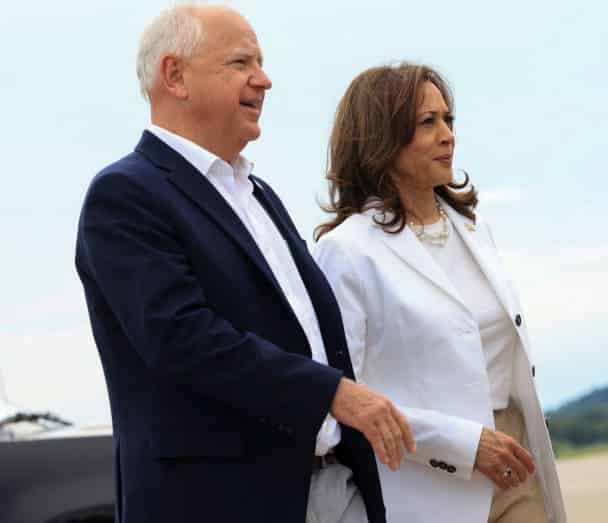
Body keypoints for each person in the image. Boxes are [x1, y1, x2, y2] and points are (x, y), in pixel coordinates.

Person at [74, 6, 414, 523]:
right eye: (241, 62)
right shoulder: (124, 195)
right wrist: (331, 393)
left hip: (332, 486)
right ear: (175, 75)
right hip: (219, 501)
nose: (264, 79)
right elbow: (182, 338)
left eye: (261, 62)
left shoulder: (259, 195)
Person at [313, 63, 567, 523]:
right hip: (423, 482)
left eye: (448, 120)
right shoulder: (345, 251)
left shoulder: (476, 230)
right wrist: (463, 444)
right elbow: (346, 396)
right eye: (427, 122)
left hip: (514, 460)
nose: (447, 135)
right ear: (380, 138)